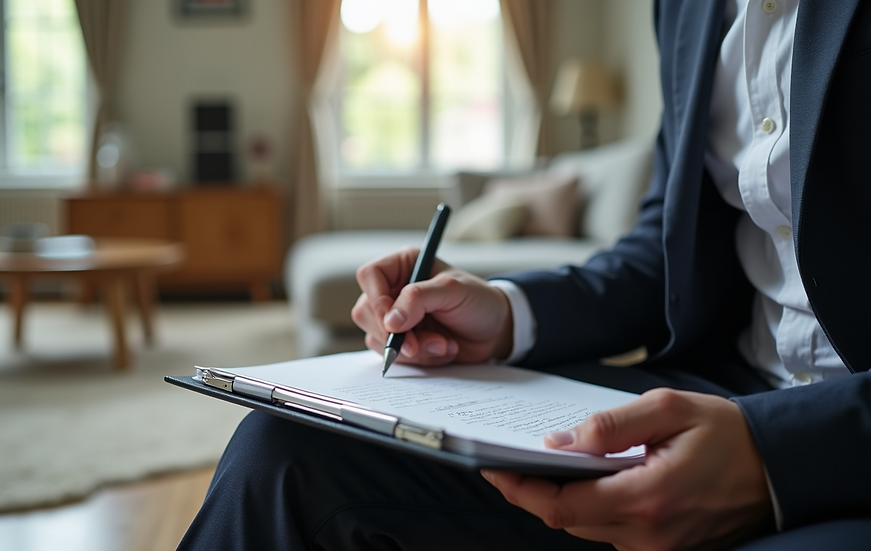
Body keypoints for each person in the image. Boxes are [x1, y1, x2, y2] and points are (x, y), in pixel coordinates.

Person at [177, 0, 871, 549]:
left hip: (844, 443)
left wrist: (777, 456)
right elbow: (663, 255)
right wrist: (505, 312)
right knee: (288, 449)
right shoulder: (686, 6)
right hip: (718, 392)